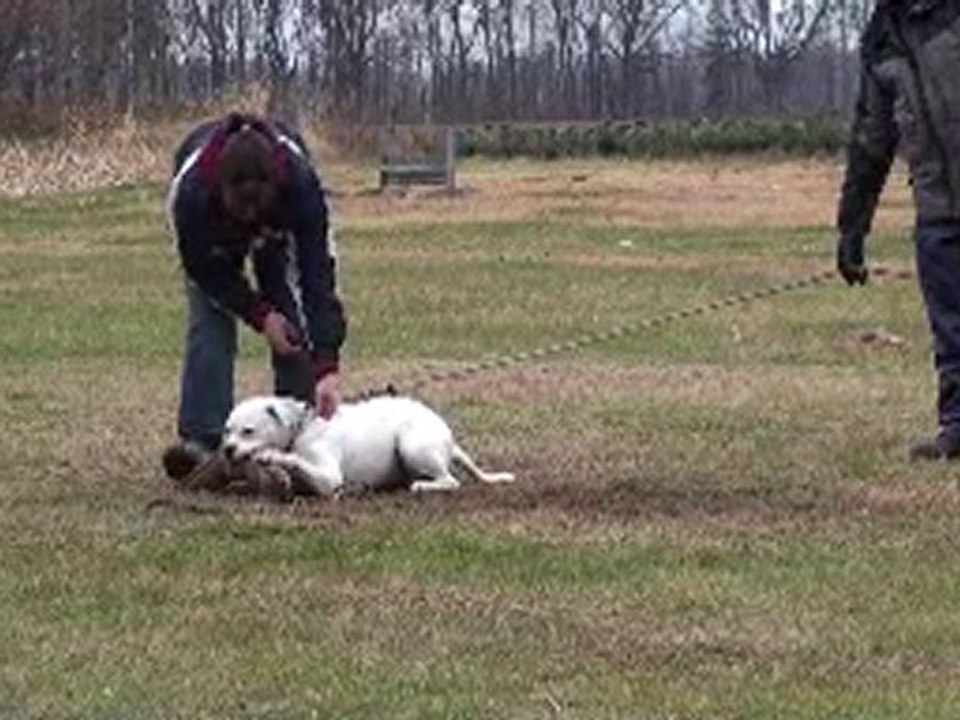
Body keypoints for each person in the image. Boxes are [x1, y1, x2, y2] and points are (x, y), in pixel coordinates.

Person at [161, 112, 346, 480]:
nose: (250, 219)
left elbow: (316, 276)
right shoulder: (192, 197)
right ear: (222, 192)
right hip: (211, 243)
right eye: (241, 210)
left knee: (291, 317)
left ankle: (299, 430)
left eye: (257, 209)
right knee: (211, 324)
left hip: (282, 225)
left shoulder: (300, 186)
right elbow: (207, 272)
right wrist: (259, 316)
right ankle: (202, 444)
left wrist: (326, 365)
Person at [836, 0, 960, 460]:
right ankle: (957, 424)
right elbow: (871, 136)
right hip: (937, 207)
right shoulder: (882, 36)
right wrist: (853, 227)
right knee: (950, 328)